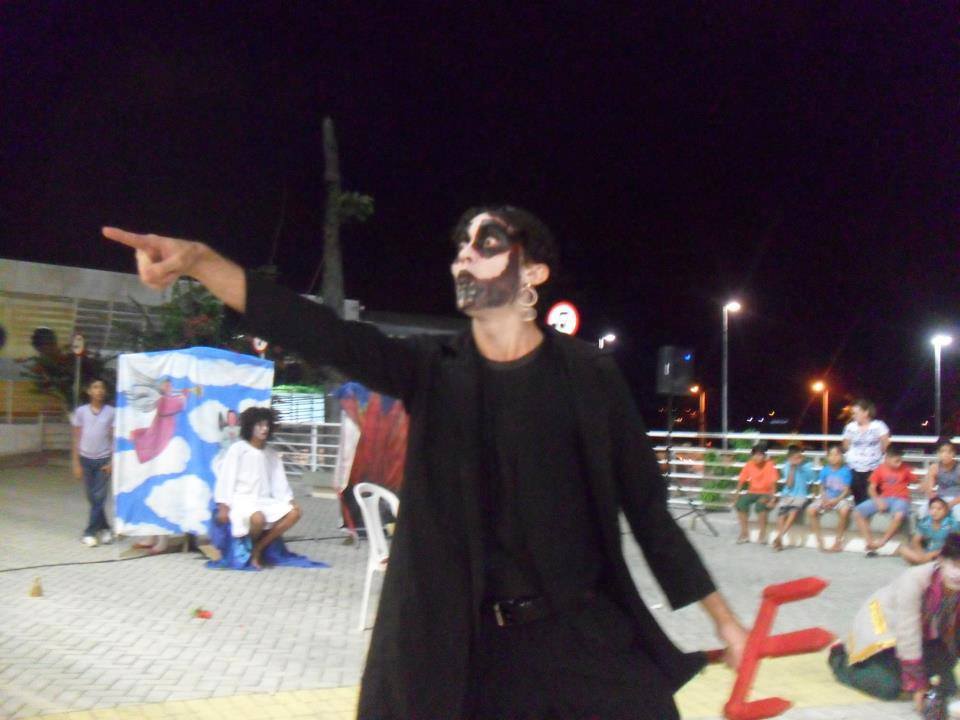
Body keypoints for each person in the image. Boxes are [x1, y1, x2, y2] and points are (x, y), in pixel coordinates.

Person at [103, 205, 747, 720]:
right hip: (468, 654)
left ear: (533, 272)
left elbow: (649, 513)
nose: (465, 254)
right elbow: (318, 331)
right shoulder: (434, 373)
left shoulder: (588, 377)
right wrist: (203, 262)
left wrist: (726, 622)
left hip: (581, 638)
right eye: (461, 245)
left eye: (486, 243)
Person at [829, 533, 960, 712]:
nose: (958, 574)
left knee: (946, 662)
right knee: (889, 687)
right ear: (941, 560)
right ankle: (840, 659)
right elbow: (908, 633)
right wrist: (918, 686)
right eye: (955, 565)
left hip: (926, 634)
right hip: (884, 630)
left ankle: (906, 671)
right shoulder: (914, 580)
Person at [214, 407, 302, 569]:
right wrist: (223, 505)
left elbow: (279, 483)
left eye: (267, 425)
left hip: (263, 500)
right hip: (242, 500)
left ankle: (258, 548)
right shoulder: (238, 449)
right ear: (250, 427)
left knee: (295, 513)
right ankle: (250, 548)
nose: (264, 429)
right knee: (258, 518)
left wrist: (290, 500)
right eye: (260, 425)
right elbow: (226, 478)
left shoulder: (271, 454)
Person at [71, 378, 115, 547]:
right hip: (85, 459)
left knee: (99, 497)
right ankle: (105, 528)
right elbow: (76, 438)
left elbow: (114, 438)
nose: (99, 390)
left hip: (103, 460)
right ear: (89, 391)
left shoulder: (111, 412)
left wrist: (112, 461)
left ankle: (89, 532)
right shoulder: (81, 412)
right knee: (93, 498)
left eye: (102, 387)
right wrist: (76, 463)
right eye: (95, 387)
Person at [853, 446, 915, 555]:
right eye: (896, 461)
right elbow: (871, 488)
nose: (899, 463)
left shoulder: (905, 469)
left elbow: (915, 480)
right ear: (887, 459)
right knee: (858, 512)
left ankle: (883, 541)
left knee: (899, 515)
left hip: (901, 498)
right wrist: (878, 501)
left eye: (900, 460)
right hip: (885, 498)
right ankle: (869, 542)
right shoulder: (880, 469)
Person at [842, 398, 891, 505]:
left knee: (873, 496)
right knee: (858, 497)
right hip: (855, 468)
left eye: (856, 413)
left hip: (874, 467)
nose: (853, 416)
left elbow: (886, 445)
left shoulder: (879, 426)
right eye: (853, 413)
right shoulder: (850, 427)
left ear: (866, 412)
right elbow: (846, 445)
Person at [805, 444, 854, 552]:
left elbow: (846, 490)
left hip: (840, 498)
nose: (834, 457)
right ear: (827, 457)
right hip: (827, 498)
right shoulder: (825, 470)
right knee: (810, 510)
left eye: (836, 455)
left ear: (841, 456)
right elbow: (822, 487)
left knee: (844, 511)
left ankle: (838, 541)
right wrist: (824, 499)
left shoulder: (846, 471)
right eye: (831, 455)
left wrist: (836, 500)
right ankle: (819, 539)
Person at [770, 444, 815, 551]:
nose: (797, 459)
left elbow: (811, 480)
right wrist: (793, 468)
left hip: (800, 495)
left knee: (793, 512)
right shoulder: (787, 466)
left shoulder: (807, 466)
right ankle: (779, 540)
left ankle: (779, 537)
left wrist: (801, 468)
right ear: (789, 458)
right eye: (794, 457)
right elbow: (789, 484)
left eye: (799, 457)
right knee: (781, 514)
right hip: (787, 494)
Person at [734, 442, 779, 545]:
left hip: (766, 493)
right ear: (752, 455)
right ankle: (744, 533)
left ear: (764, 456)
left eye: (760, 455)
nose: (758, 457)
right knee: (741, 503)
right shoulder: (749, 464)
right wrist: (736, 495)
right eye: (756, 455)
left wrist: (773, 499)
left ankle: (762, 535)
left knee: (760, 505)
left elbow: (773, 483)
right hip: (752, 492)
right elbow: (741, 480)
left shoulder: (769, 464)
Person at [900, 497, 960, 565]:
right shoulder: (926, 522)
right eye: (932, 508)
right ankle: (919, 560)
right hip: (928, 552)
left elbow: (955, 545)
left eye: (939, 509)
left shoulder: (951, 524)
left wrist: (934, 553)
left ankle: (921, 562)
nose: (935, 512)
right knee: (910, 552)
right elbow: (916, 541)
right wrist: (921, 554)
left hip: (946, 554)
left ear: (945, 511)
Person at [921, 439, 960, 520]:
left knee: (958, 514)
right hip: (940, 498)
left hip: (956, 499)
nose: (945, 455)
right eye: (942, 452)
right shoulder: (935, 467)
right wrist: (935, 501)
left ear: (954, 453)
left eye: (949, 452)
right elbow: (929, 490)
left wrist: (950, 504)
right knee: (923, 511)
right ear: (938, 453)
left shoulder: (958, 468)